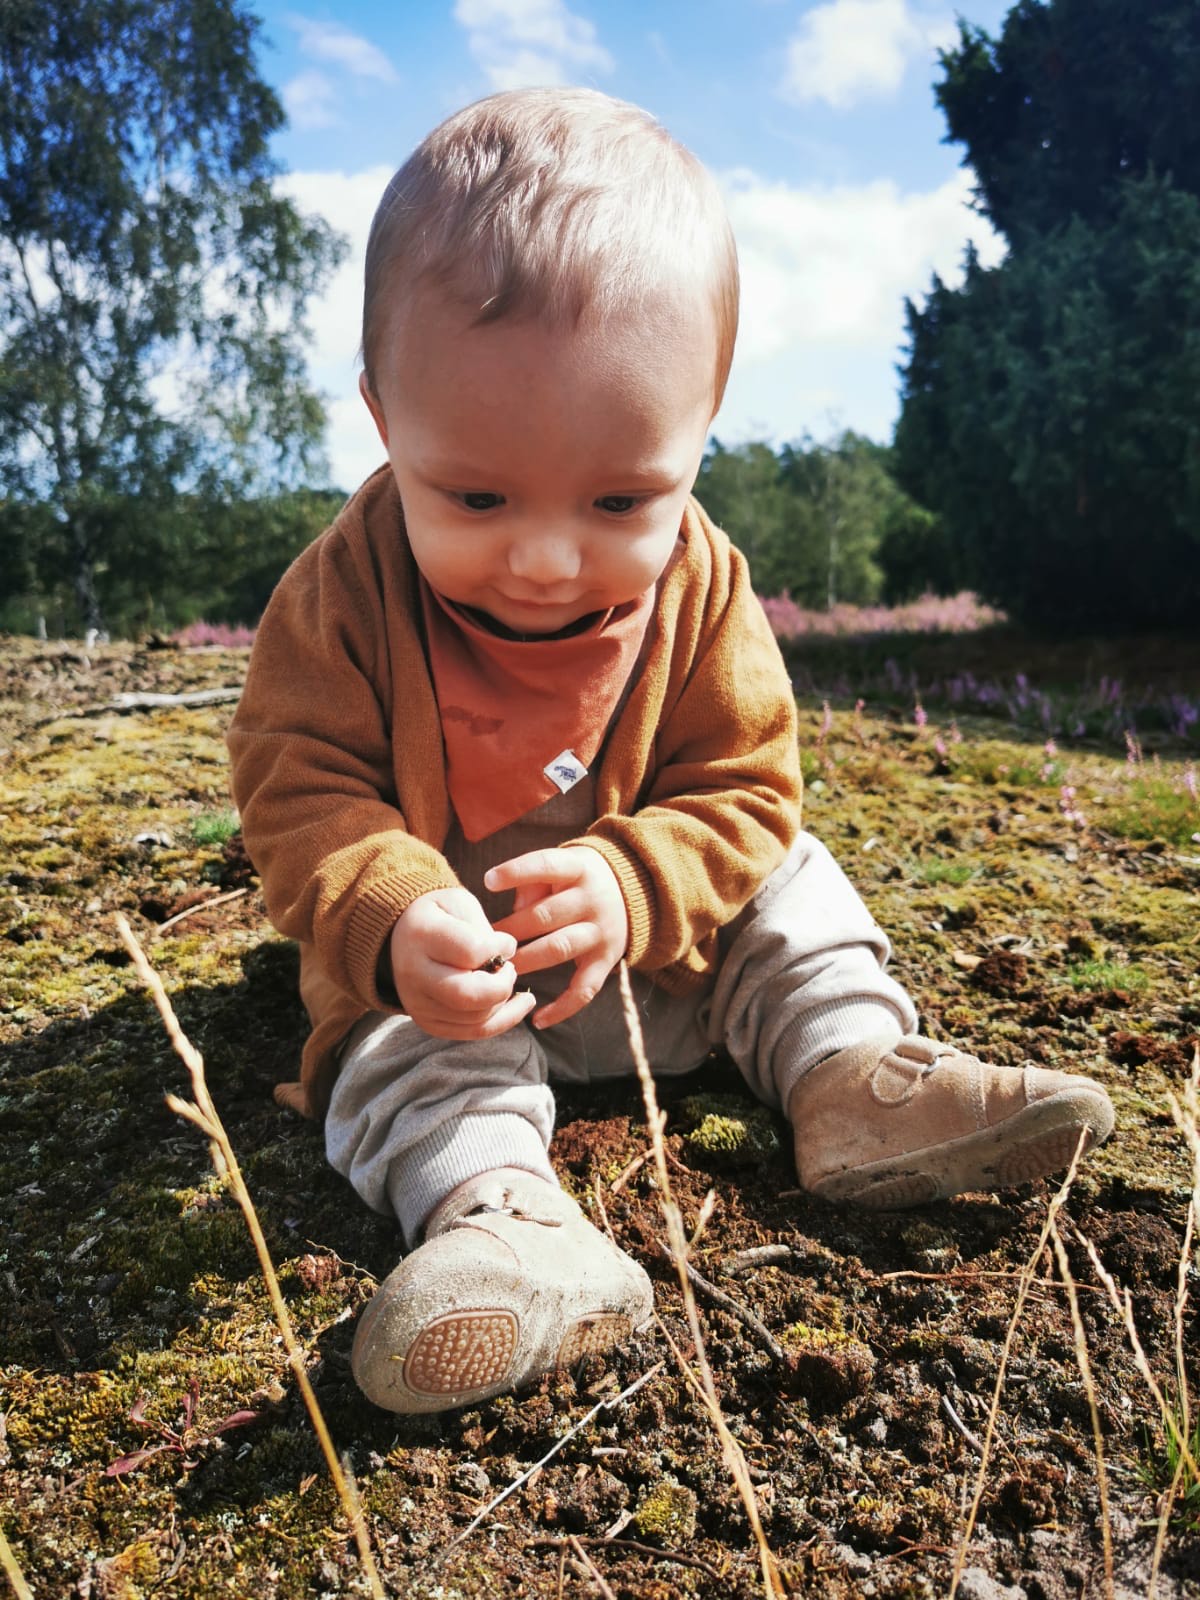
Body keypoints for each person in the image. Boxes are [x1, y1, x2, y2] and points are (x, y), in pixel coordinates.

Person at [227, 87, 1114, 1416]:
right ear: (383, 414)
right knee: (399, 1050)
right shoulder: (342, 593)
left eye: (620, 498)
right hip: (460, 990)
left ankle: (847, 1076)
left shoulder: (704, 586)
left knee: (792, 881)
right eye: (475, 495)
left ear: (702, 430)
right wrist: (397, 917)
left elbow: (748, 788)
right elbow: (296, 785)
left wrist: (635, 882)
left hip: (673, 973)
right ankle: (502, 1216)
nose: (544, 557)